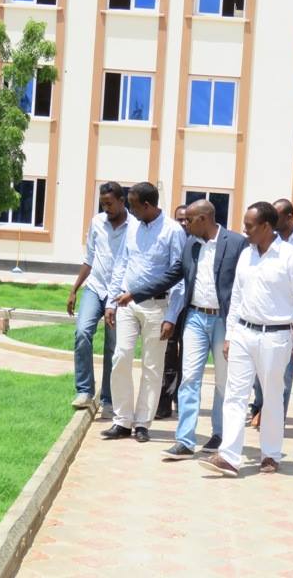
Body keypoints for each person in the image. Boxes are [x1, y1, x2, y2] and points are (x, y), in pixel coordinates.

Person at [118, 199, 247, 459]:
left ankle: (220, 434)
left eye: (189, 220)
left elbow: (247, 283)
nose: (184, 224)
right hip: (196, 318)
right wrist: (135, 294)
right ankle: (185, 440)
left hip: (223, 320)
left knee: (223, 381)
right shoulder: (190, 245)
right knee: (189, 379)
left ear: (203, 219)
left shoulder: (235, 243)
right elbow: (171, 276)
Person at [199, 202, 293, 477]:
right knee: (235, 395)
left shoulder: (290, 256)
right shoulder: (246, 255)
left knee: (272, 397)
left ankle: (271, 455)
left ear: (266, 226)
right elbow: (236, 297)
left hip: (276, 337)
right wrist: (229, 335)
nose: (244, 230)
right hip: (242, 333)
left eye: (249, 225)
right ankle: (229, 456)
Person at [102, 182, 185, 443]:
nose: (130, 210)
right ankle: (122, 420)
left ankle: (142, 423)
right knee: (121, 357)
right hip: (127, 304)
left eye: (134, 205)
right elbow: (122, 264)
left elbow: (179, 278)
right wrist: (111, 302)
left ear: (147, 205)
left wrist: (172, 316)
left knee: (152, 366)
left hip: (158, 308)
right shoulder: (132, 228)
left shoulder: (173, 231)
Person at [249, 198, 293, 424]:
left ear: (289, 217)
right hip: (262, 316)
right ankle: (260, 407)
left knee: (283, 375)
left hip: (288, 319)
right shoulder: (261, 245)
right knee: (259, 373)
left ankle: (274, 418)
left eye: (276, 216)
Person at [68, 182, 132, 418]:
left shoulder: (133, 227)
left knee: (112, 346)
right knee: (83, 332)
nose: (106, 208)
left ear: (121, 201)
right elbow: (90, 258)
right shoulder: (97, 222)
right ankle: (84, 391)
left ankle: (107, 398)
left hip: (119, 295)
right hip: (95, 288)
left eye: (110, 203)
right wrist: (75, 288)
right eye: (103, 203)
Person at [155, 204, 190, 419]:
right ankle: (164, 402)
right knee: (167, 353)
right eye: (180, 219)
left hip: (192, 308)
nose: (184, 223)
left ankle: (181, 400)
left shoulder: (199, 243)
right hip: (170, 306)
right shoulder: (170, 240)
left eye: (187, 219)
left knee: (187, 355)